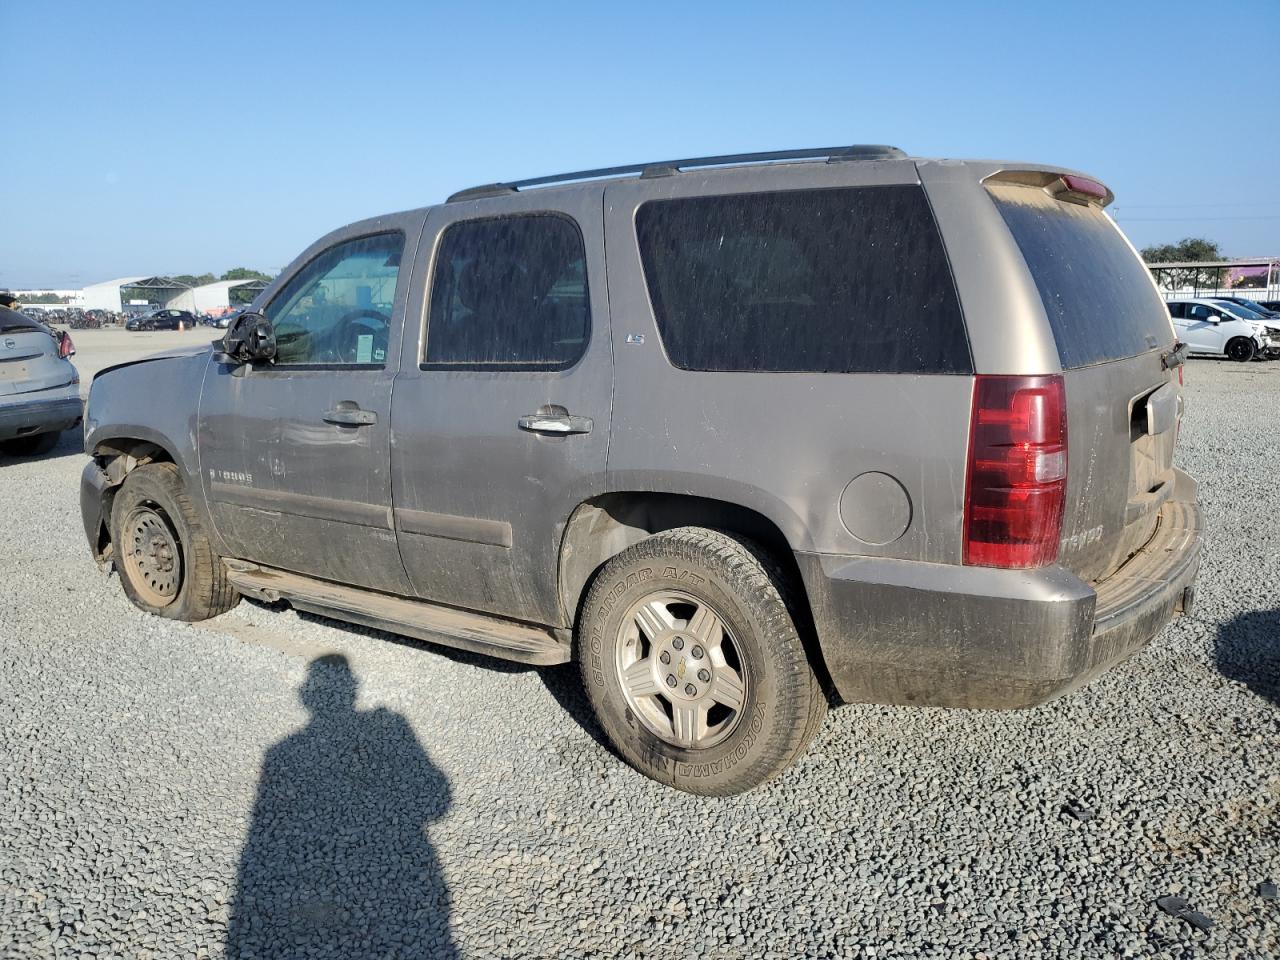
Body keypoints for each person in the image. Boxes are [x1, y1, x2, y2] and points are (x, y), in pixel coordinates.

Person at [226, 654, 458, 959]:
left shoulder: (280, 752)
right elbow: (439, 800)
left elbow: (259, 830)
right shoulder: (391, 725)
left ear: (305, 695)